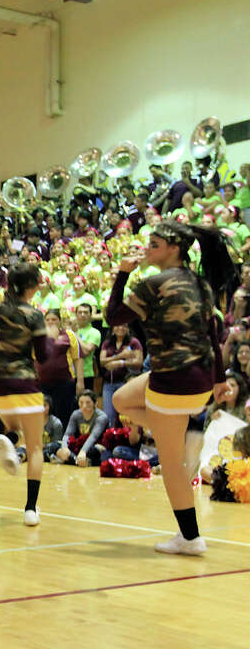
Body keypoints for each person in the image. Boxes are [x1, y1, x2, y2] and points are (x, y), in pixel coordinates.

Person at [107, 222, 233, 555]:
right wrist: (219, 380)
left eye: (155, 244)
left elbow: (113, 317)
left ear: (173, 249)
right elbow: (213, 335)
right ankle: (183, 434)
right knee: (121, 399)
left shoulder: (154, 284)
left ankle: (190, 538)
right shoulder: (201, 283)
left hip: (173, 382)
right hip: (201, 378)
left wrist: (122, 274)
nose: (147, 249)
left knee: (172, 464)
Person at [0, 262, 51, 526]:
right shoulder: (33, 314)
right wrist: (52, 338)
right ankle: (30, 508)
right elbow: (43, 356)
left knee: (15, 429)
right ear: (32, 286)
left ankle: (7, 437)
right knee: (35, 447)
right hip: (23, 384)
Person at [99, 322, 143, 424]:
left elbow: (138, 362)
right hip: (108, 383)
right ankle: (110, 437)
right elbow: (102, 361)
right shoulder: (107, 343)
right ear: (113, 328)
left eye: (124, 325)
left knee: (125, 414)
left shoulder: (134, 342)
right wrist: (121, 356)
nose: (121, 328)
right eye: (118, 325)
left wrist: (121, 363)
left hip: (126, 383)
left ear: (128, 328)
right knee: (108, 415)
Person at [55, 390, 109, 466]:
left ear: (95, 404)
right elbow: (67, 434)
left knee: (95, 451)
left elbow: (93, 437)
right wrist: (64, 448)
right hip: (80, 445)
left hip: (95, 446)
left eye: (88, 403)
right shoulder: (76, 414)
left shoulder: (101, 417)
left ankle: (71, 459)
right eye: (81, 402)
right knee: (54, 445)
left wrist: (83, 451)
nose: (84, 406)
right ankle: (78, 461)